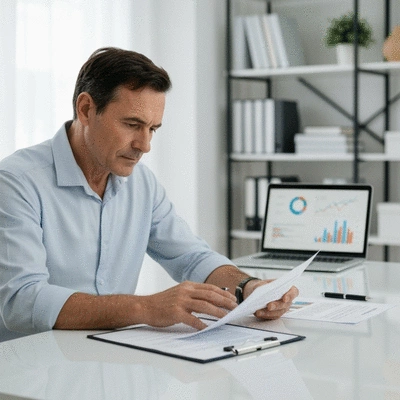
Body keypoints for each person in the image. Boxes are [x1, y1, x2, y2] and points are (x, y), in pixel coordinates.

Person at [0, 47, 298, 341]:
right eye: (132, 125)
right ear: (86, 109)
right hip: (32, 366)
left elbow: (191, 257)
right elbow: (21, 301)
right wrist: (145, 307)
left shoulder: (141, 183)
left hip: (107, 356)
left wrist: (249, 286)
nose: (144, 145)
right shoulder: (17, 182)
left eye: (153, 129)